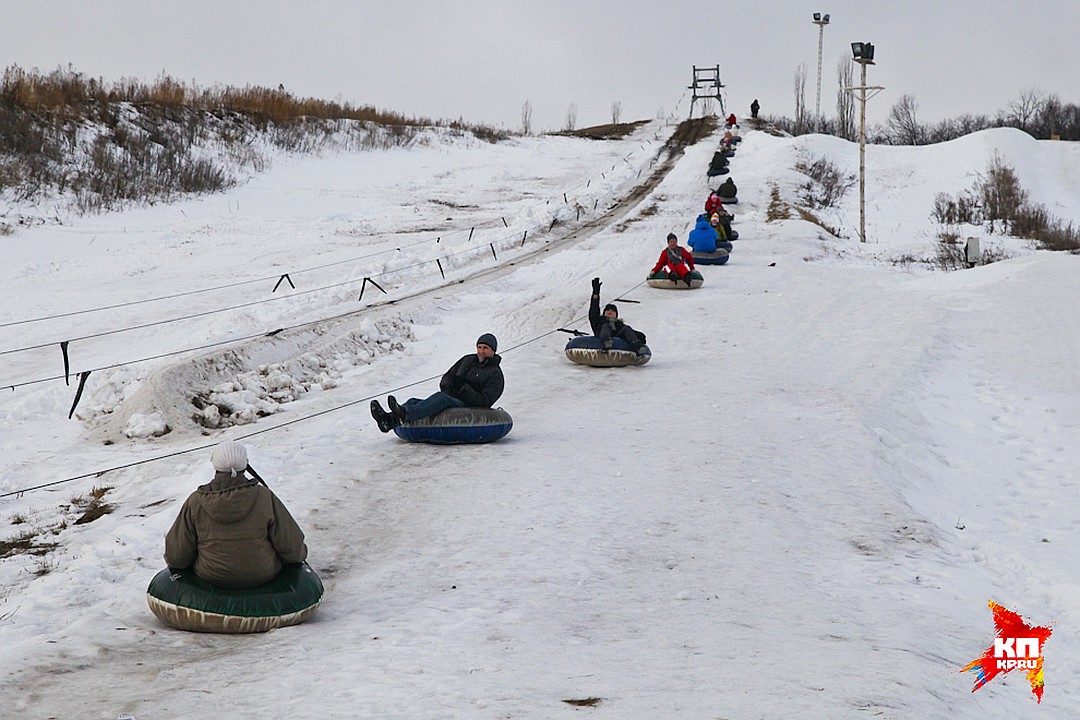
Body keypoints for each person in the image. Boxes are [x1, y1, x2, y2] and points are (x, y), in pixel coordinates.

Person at [164, 440, 309, 590]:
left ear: (215, 465)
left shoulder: (195, 502)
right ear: (245, 465)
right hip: (263, 575)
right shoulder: (265, 497)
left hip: (211, 576)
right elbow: (292, 548)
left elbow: (177, 556)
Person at [371, 334, 505, 432]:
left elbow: (485, 401)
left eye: (485, 348)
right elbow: (448, 376)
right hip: (452, 396)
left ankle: (404, 414)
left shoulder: (495, 374)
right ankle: (388, 420)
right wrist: (448, 388)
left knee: (441, 399)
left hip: (468, 406)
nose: (481, 351)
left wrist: (463, 388)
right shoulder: (468, 360)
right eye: (479, 347)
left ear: (493, 350)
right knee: (413, 401)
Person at [589, 278, 647, 354]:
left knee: (626, 329)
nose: (610, 312)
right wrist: (596, 294)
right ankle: (606, 342)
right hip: (602, 336)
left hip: (617, 337)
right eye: (608, 310)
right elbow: (594, 310)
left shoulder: (619, 325)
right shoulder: (598, 321)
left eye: (613, 311)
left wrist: (641, 336)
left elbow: (630, 332)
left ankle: (637, 346)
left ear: (616, 315)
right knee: (606, 326)